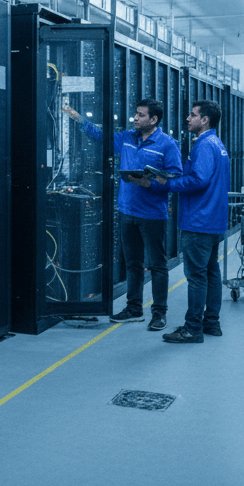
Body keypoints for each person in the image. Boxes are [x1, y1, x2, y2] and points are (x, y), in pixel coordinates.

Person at [64, 97, 183, 330]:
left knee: (157, 265)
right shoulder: (128, 138)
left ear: (154, 119)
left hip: (152, 214)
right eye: (136, 114)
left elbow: (175, 177)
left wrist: (152, 184)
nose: (135, 118)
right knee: (133, 264)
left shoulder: (168, 144)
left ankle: (159, 313)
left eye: (140, 115)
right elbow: (100, 137)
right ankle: (134, 308)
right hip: (127, 211)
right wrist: (77, 117)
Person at [147, 100, 231, 344]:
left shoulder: (204, 145)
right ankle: (211, 323)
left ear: (204, 120)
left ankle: (192, 328)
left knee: (196, 276)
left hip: (199, 221)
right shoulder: (218, 143)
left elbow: (199, 180)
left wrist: (168, 184)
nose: (187, 118)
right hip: (214, 220)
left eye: (192, 115)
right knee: (211, 273)